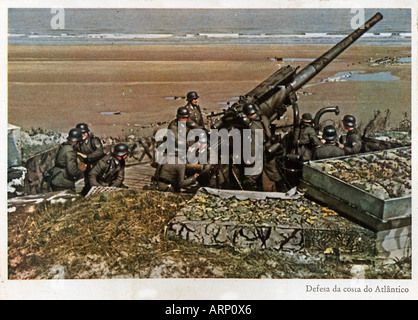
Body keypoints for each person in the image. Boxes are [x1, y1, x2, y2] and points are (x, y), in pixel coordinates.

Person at [49, 128, 85, 192]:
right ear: (76, 142)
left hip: (56, 178)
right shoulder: (70, 151)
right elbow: (72, 171)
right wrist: (82, 171)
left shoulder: (64, 147)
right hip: (64, 183)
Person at [75, 123, 105, 195]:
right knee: (87, 179)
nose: (82, 135)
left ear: (87, 132)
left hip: (98, 164)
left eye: (84, 133)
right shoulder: (79, 143)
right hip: (88, 165)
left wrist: (87, 156)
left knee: (97, 180)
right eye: (80, 133)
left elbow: (99, 151)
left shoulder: (94, 140)